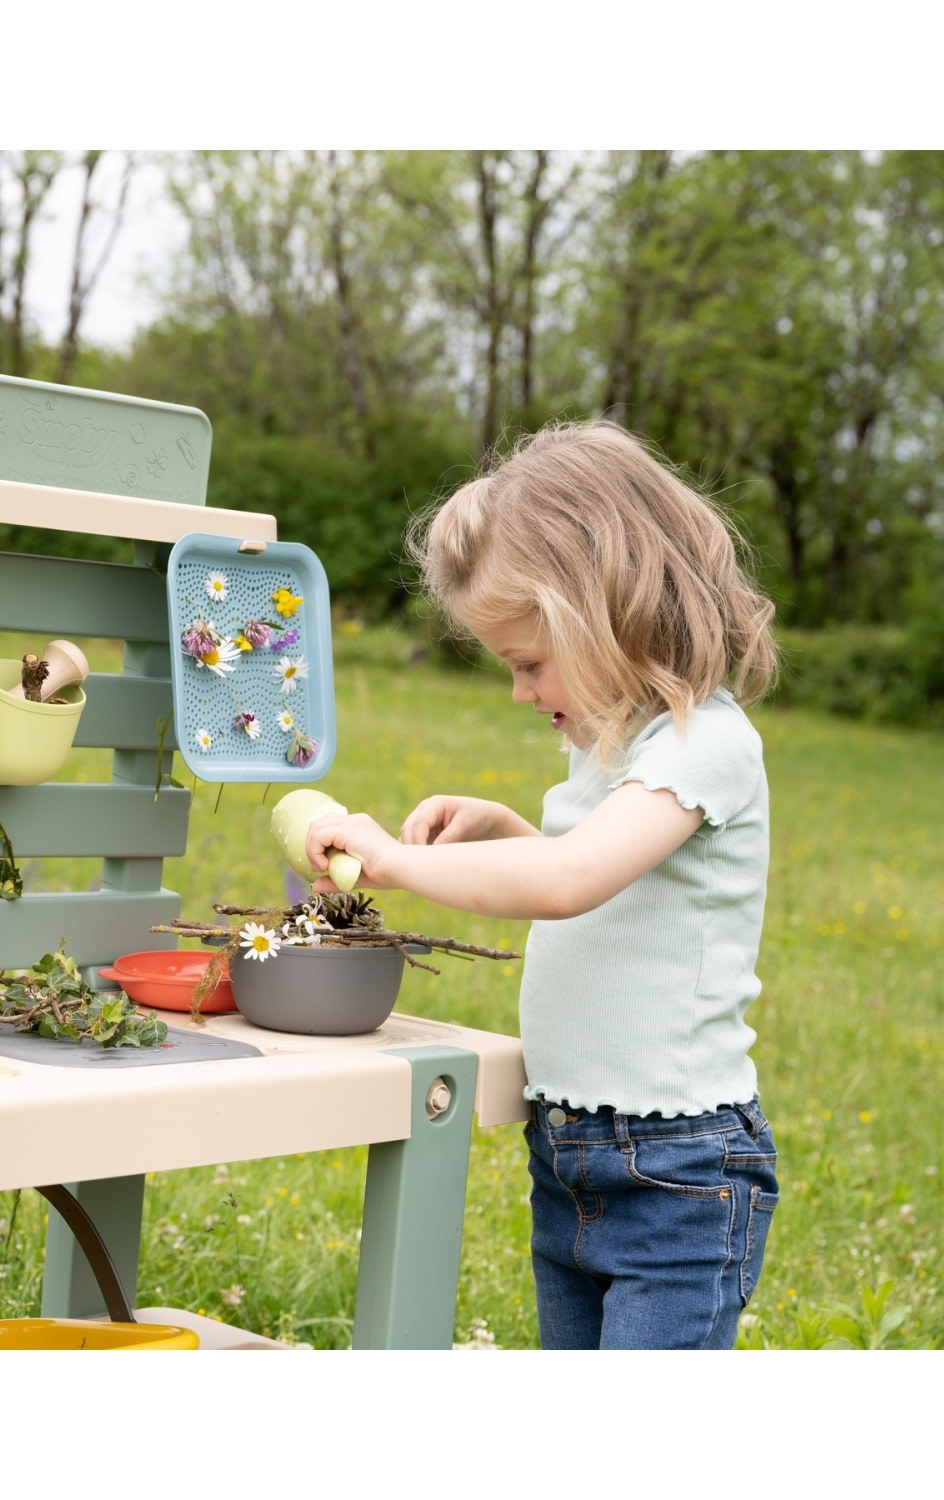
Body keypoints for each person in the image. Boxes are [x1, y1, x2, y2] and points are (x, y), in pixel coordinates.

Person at [306, 420, 781, 1350]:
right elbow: (610, 885)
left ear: (605, 610)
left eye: (529, 661)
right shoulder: (608, 747)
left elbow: (570, 881)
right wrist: (507, 825)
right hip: (569, 1156)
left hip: (678, 1172)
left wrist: (400, 862)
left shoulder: (707, 743)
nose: (521, 692)